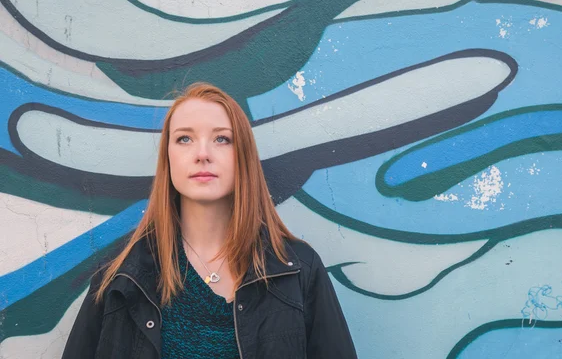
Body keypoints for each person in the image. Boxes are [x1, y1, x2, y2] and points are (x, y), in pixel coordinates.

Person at [62, 82, 357, 359]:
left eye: (221, 139)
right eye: (184, 139)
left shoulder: (298, 271)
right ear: (168, 158)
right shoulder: (121, 277)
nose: (202, 154)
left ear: (242, 155)